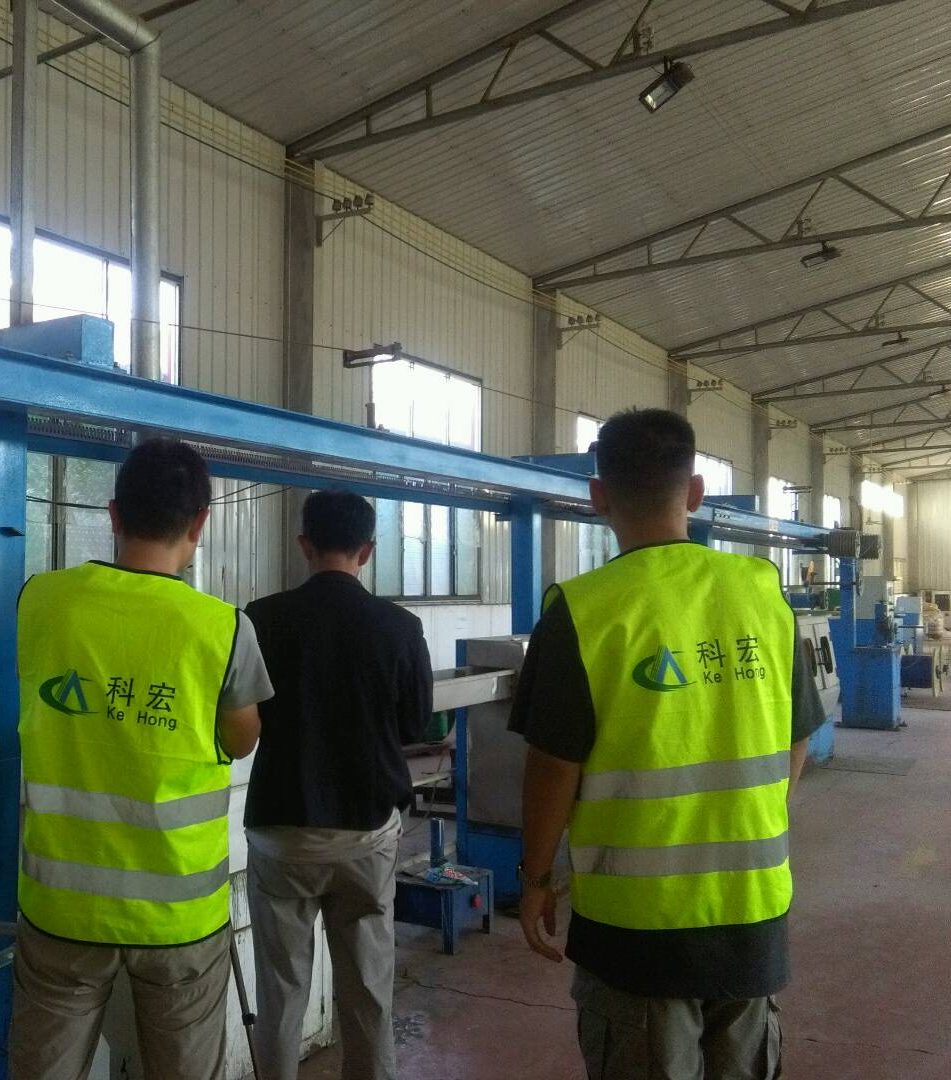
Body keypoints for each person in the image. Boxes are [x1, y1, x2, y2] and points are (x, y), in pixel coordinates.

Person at [510, 408, 825, 1080]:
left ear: (598, 496)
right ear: (697, 492)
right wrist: (753, 818)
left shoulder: (583, 609)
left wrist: (535, 879)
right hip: (751, 910)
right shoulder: (762, 595)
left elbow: (553, 767)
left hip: (636, 927)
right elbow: (798, 736)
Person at [10, 438, 272, 1080]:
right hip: (178, 916)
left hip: (63, 908)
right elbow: (242, 740)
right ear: (200, 521)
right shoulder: (223, 628)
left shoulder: (40, 600)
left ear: (114, 514)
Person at [243, 488, 433, 1080]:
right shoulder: (400, 627)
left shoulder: (259, 618)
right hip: (365, 832)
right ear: (368, 550)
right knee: (368, 989)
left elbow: (242, 721)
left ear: (305, 545)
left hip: (280, 830)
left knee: (281, 992)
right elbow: (415, 725)